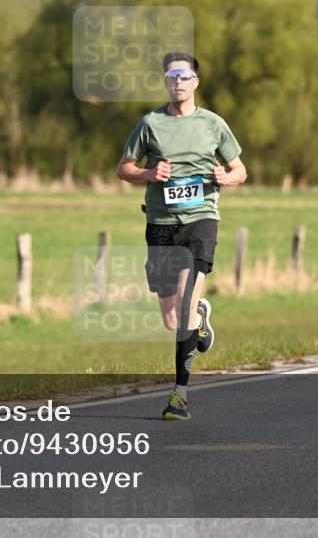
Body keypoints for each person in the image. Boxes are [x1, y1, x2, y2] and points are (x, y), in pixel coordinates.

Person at [115, 52, 247, 420]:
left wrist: (226, 178)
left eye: (185, 76)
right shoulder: (150, 123)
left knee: (187, 301)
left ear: (196, 82)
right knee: (173, 319)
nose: (178, 82)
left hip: (201, 220)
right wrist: (148, 174)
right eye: (172, 76)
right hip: (160, 222)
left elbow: (240, 171)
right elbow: (123, 168)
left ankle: (180, 394)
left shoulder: (214, 124)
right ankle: (200, 319)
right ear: (165, 81)